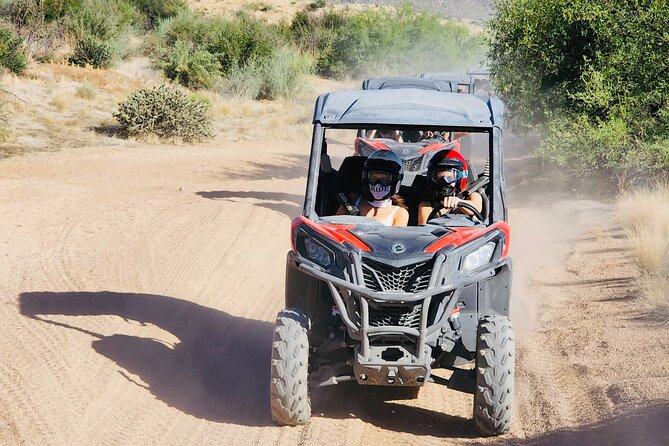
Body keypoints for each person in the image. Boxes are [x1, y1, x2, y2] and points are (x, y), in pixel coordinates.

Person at [337, 150, 409, 226]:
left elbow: (396, 238)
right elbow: (334, 228)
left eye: (385, 179)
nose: (378, 183)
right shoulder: (351, 200)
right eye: (373, 178)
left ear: (395, 181)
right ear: (365, 178)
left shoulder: (399, 213)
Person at [418, 148, 482, 224]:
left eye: (450, 177)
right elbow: (424, 232)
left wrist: (459, 202)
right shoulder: (426, 206)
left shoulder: (472, 196)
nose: (445, 181)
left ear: (461, 177)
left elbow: (476, 208)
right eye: (439, 177)